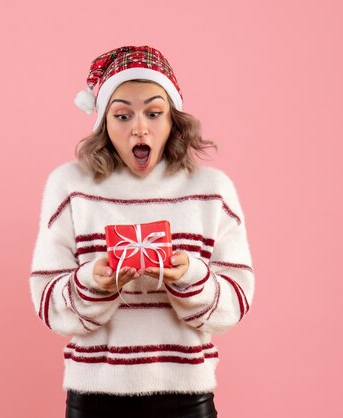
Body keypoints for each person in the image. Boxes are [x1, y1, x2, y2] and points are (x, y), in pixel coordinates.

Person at [29, 45, 255, 418]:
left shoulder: (212, 189)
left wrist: (190, 278)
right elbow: (48, 305)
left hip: (187, 398)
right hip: (94, 398)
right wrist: (95, 283)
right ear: (103, 120)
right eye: (122, 115)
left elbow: (235, 302)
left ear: (173, 120)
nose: (139, 128)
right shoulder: (69, 186)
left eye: (154, 112)